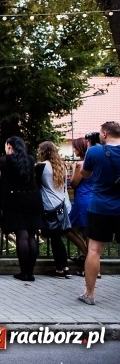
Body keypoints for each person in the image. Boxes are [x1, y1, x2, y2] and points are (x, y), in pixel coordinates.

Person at [77, 121, 120, 305]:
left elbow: (85, 174)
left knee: (94, 250)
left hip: (100, 207)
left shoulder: (94, 151)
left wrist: (89, 149)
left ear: (104, 134)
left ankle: (90, 294)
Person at [0, 136, 42, 282]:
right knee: (31, 235)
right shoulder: (30, 159)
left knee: (21, 234)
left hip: (16, 200)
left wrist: (7, 154)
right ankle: (30, 273)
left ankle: (23, 272)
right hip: (33, 199)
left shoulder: (7, 159)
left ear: (10, 146)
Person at [37, 141, 72, 279]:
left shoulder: (41, 166)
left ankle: (60, 269)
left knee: (55, 239)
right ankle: (65, 267)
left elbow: (36, 184)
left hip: (49, 205)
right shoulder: (61, 165)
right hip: (61, 204)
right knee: (58, 238)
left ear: (43, 151)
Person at [68, 135, 97, 274]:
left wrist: (73, 170)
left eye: (75, 147)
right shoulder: (96, 162)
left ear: (81, 148)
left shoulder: (81, 164)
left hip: (82, 199)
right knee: (89, 233)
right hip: (94, 198)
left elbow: (74, 183)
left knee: (67, 228)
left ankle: (88, 258)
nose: (74, 150)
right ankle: (93, 267)